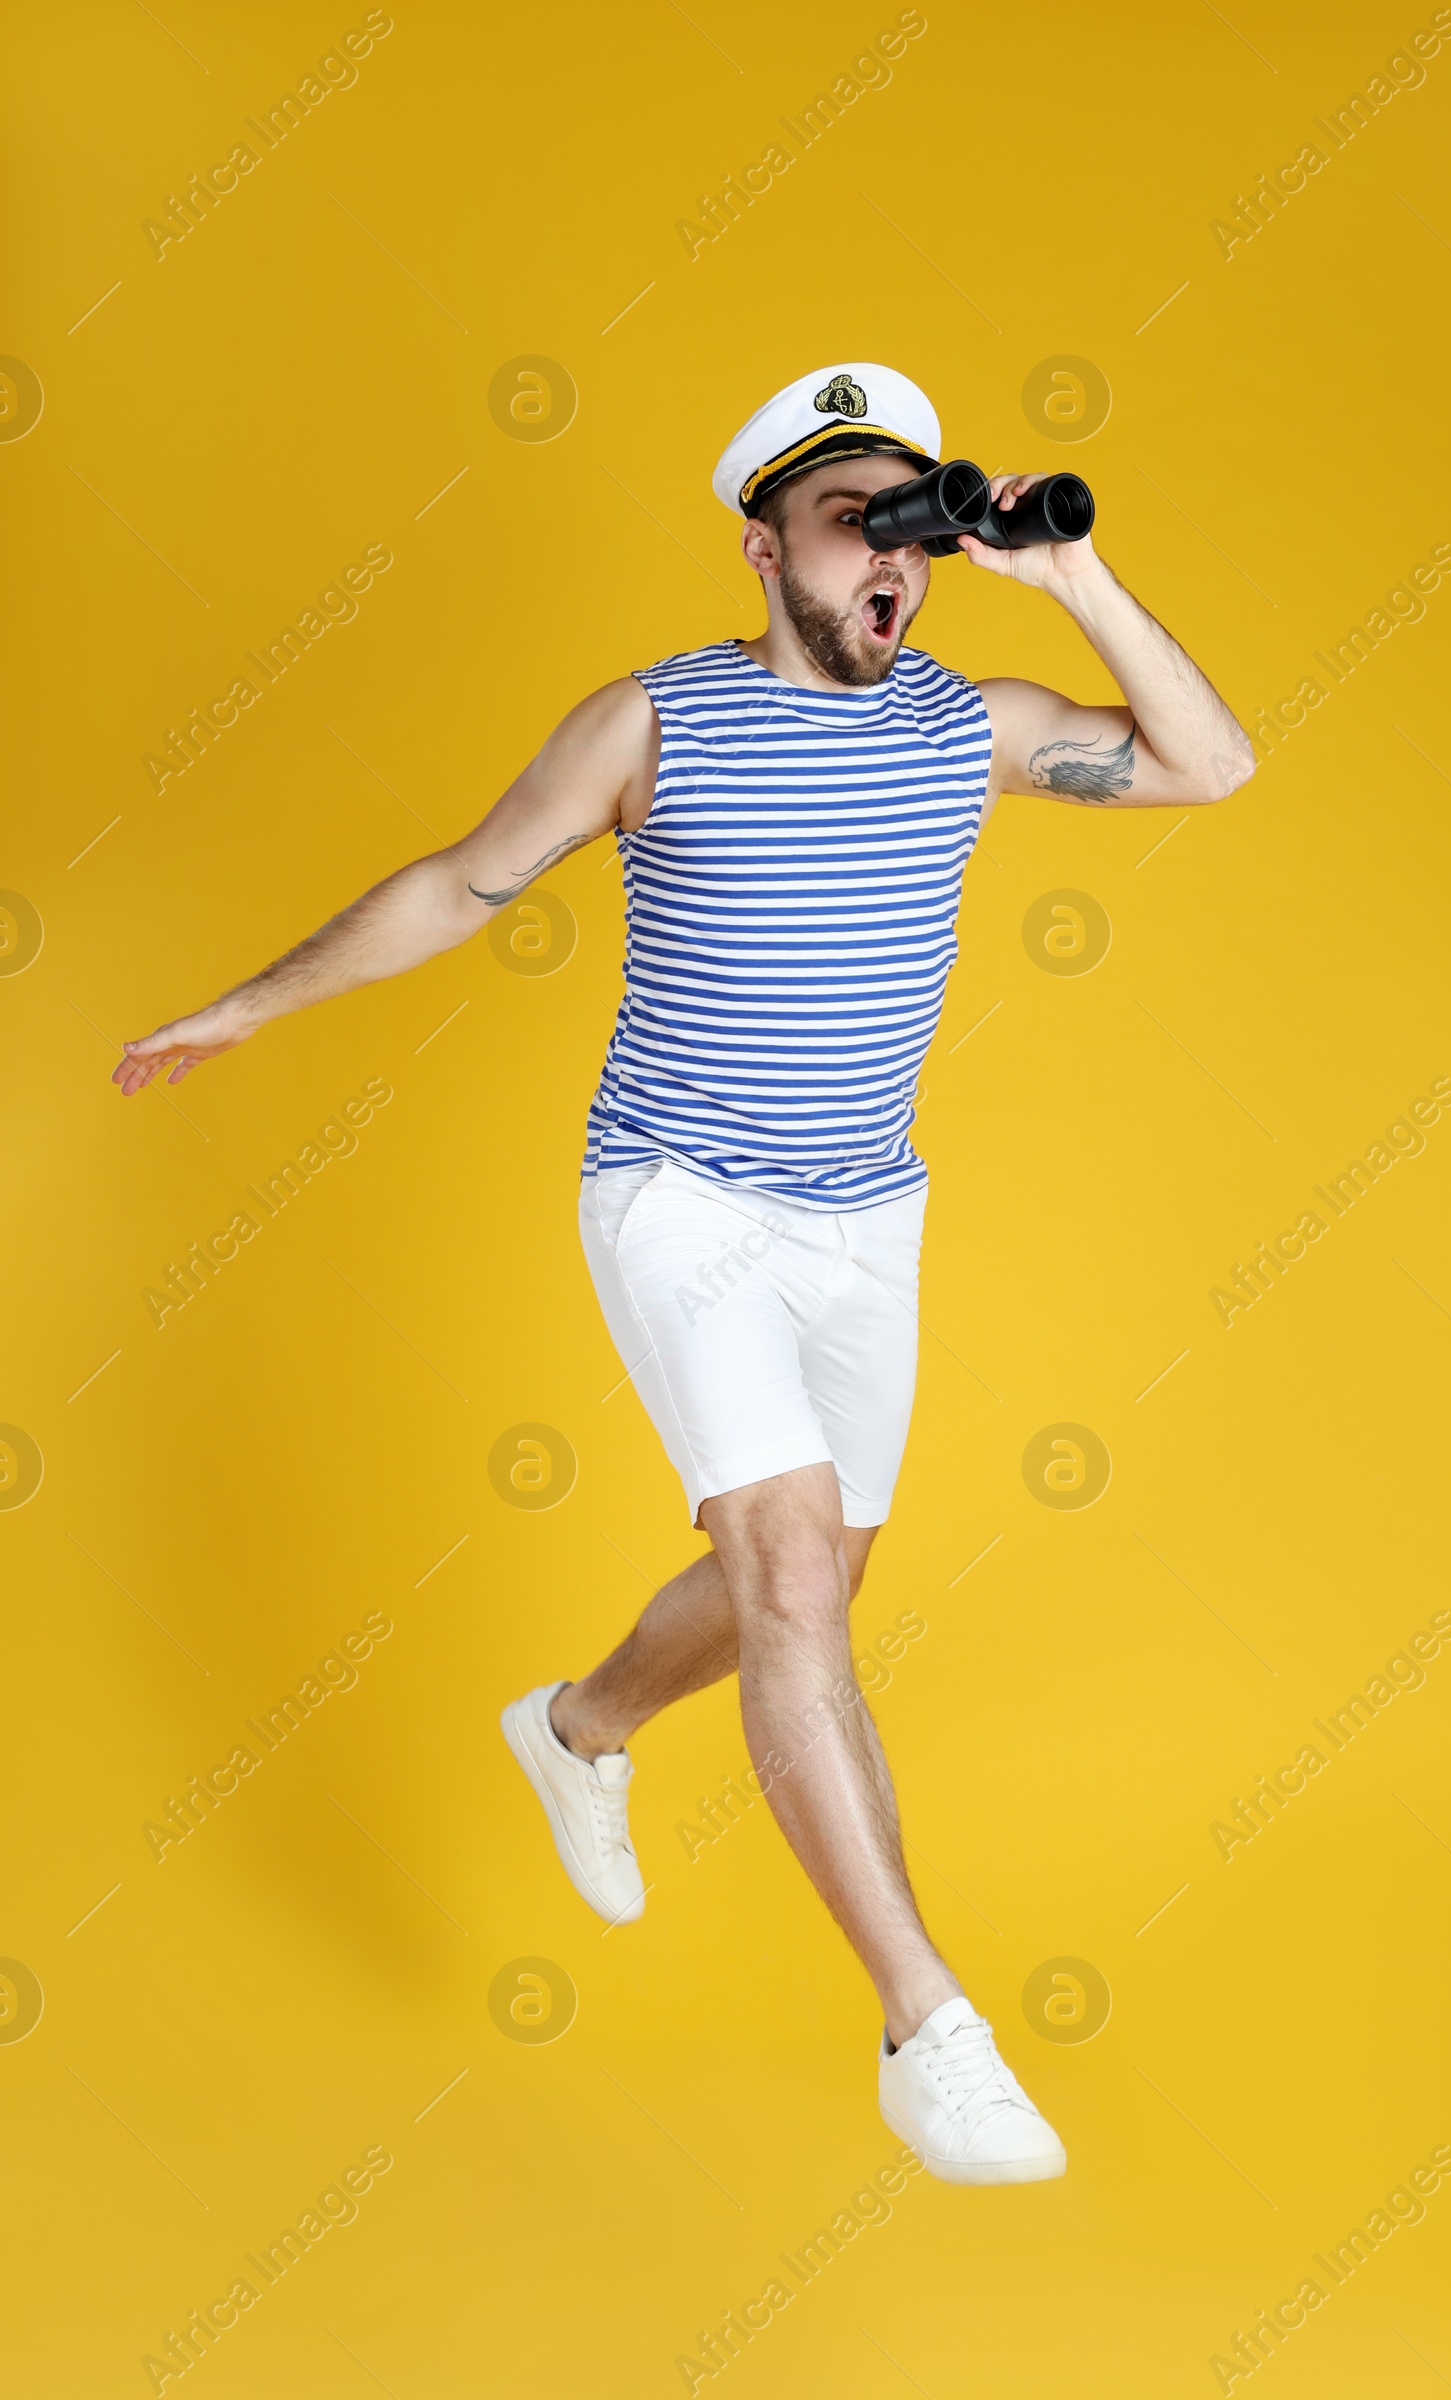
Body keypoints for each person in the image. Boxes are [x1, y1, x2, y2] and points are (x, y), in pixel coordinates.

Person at [115, 362, 1252, 2185]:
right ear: (764, 548)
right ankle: (930, 2031)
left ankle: (578, 1729)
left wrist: (1068, 574)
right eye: (851, 524)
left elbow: (1211, 765)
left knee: (818, 1580)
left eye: (916, 533)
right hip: (680, 1194)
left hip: (867, 1214)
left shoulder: (967, 721)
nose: (895, 564)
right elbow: (464, 883)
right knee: (792, 1570)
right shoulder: (656, 723)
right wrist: (250, 1003)